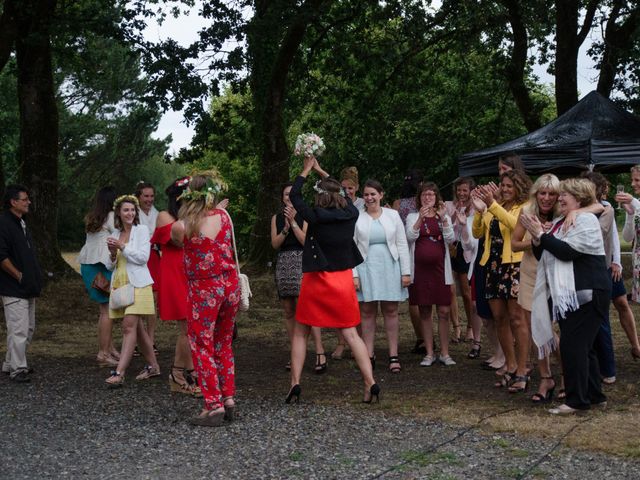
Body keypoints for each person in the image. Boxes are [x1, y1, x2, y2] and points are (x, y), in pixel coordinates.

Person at [288, 156, 379, 404]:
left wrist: (306, 170)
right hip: (342, 281)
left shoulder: (314, 216)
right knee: (351, 335)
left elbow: (294, 196)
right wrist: (321, 170)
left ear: (319, 197)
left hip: (316, 280)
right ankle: (370, 382)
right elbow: (345, 194)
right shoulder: (350, 213)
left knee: (300, 332)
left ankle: (295, 383)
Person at [521, 178, 610, 415]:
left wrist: (543, 234)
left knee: (574, 347)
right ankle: (594, 395)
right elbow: (545, 254)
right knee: (584, 348)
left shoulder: (587, 220)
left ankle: (576, 401)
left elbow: (569, 252)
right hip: (573, 295)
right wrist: (537, 236)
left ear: (578, 199)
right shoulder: (561, 222)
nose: (559, 199)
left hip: (589, 293)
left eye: (564, 196)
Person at [171, 173, 240, 427]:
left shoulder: (183, 225)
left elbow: (177, 241)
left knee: (201, 344)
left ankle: (213, 405)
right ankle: (228, 397)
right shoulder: (224, 217)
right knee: (223, 342)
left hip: (205, 289)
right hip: (230, 285)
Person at [472, 170, 532, 392]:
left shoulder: (525, 206)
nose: (505, 189)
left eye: (509, 186)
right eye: (503, 185)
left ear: (519, 187)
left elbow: (516, 226)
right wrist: (480, 212)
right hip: (493, 265)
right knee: (499, 318)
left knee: (517, 318)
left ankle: (523, 368)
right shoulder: (497, 205)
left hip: (514, 265)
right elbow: (477, 233)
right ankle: (511, 364)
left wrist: (492, 205)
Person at [511, 174, 561, 403]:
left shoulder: (565, 213)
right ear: (536, 194)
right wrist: (536, 239)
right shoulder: (527, 213)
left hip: (558, 275)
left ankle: (569, 375)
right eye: (543, 193)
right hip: (532, 273)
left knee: (557, 329)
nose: (547, 198)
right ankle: (546, 377)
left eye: (552, 194)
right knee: (537, 328)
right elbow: (514, 243)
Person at [353, 179, 410, 373]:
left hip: (390, 266)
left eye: (373, 194)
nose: (369, 198)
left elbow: (402, 244)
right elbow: (351, 247)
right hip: (366, 267)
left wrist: (406, 272)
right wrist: (354, 275)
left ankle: (393, 354)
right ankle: (369, 354)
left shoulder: (393, 216)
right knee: (367, 311)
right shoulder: (357, 217)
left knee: (391, 310)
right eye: (366, 194)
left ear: (381, 195)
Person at [151, 177, 201, 396]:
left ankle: (184, 372)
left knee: (192, 327)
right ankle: (183, 374)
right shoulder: (164, 216)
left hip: (192, 273)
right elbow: (180, 239)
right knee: (187, 327)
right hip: (174, 273)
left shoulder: (191, 217)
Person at [104, 195, 160, 388]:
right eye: (126, 210)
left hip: (139, 284)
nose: (130, 213)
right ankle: (153, 366)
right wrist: (112, 254)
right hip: (121, 285)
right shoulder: (116, 233)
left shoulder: (141, 231)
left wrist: (122, 247)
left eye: (132, 210)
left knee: (128, 326)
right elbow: (111, 266)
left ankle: (119, 372)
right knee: (138, 329)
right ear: (119, 213)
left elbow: (143, 258)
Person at [270, 183, 327, 372]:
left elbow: (305, 241)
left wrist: (293, 223)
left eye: (291, 194)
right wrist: (285, 228)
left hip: (303, 261)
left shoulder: (306, 215)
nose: (288, 197)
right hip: (284, 263)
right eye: (285, 194)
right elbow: (275, 244)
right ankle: (294, 351)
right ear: (282, 198)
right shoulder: (276, 218)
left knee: (309, 308)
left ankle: (319, 352)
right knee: (288, 310)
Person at [406, 182, 456, 367]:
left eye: (431, 195)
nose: (428, 198)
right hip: (420, 271)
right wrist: (420, 218)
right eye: (424, 195)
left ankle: (445, 352)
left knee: (444, 310)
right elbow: (410, 236)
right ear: (419, 198)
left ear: (436, 197)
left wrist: (443, 219)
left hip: (440, 271)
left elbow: (451, 239)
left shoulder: (443, 216)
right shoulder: (412, 216)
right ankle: (429, 352)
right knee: (425, 311)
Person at [0, 185, 41, 383]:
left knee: (28, 327)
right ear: (13, 202)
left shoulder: (21, 222)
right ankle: (18, 369)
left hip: (27, 286)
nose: (28, 202)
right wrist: (18, 276)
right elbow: (1, 256)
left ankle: (10, 363)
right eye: (24, 199)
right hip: (12, 287)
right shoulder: (3, 223)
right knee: (19, 329)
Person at [78, 186, 119, 367]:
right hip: (101, 266)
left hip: (89, 265)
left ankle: (109, 348)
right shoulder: (111, 217)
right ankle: (103, 353)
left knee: (105, 310)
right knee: (107, 311)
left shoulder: (93, 217)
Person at [392, 169, 425, 355]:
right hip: (423, 245)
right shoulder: (423, 202)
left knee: (413, 297)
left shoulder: (398, 204)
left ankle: (421, 337)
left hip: (406, 248)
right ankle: (427, 337)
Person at [446, 177, 477, 345]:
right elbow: (446, 226)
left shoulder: (476, 208)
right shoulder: (449, 205)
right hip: (451, 249)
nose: (461, 193)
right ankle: (456, 326)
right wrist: (453, 214)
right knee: (450, 290)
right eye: (459, 190)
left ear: (471, 191)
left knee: (466, 292)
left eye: (465, 190)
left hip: (466, 251)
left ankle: (471, 327)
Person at [135, 181, 159, 352]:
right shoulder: (132, 213)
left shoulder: (157, 214)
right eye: (146, 196)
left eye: (151, 196)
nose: (149, 199)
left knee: (153, 301)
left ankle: (150, 339)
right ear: (139, 196)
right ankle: (139, 341)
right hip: (137, 257)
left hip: (154, 257)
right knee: (138, 301)